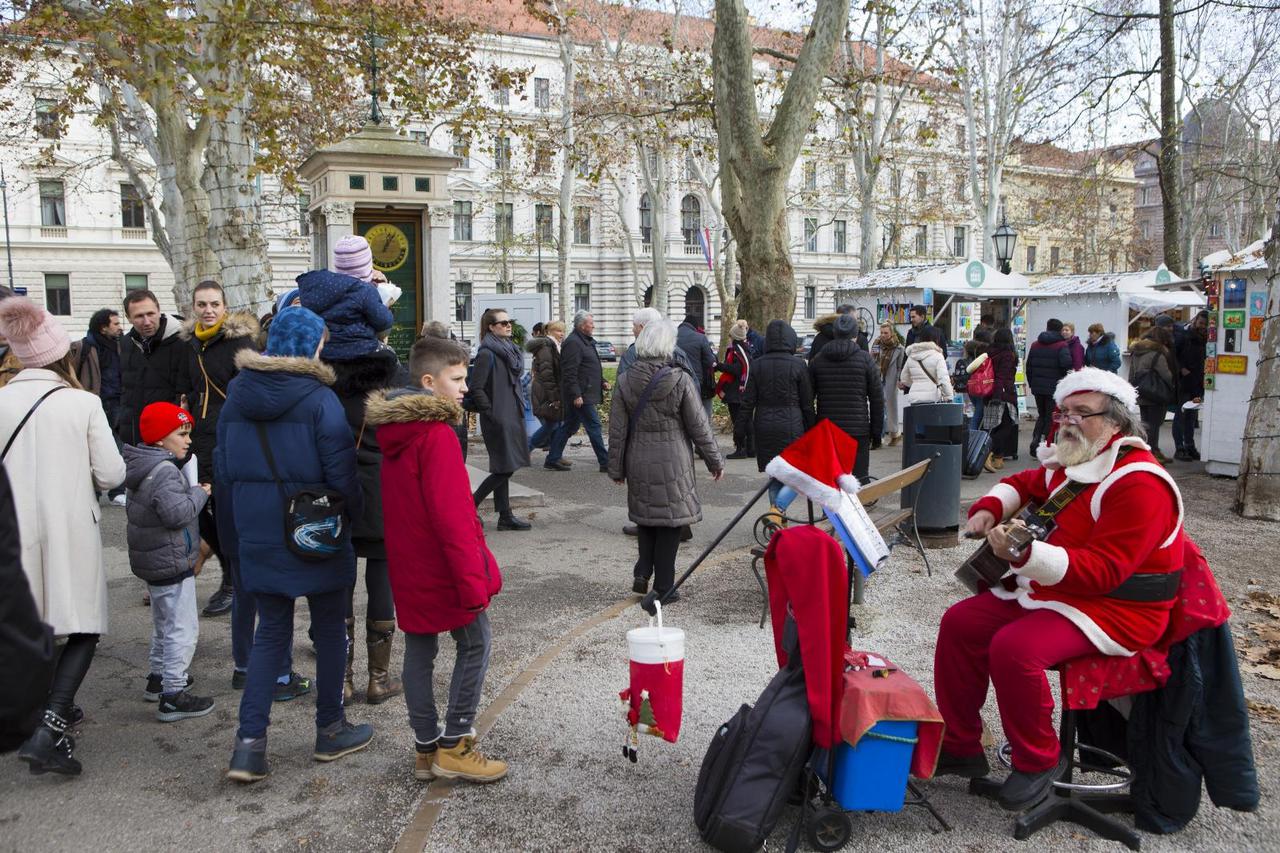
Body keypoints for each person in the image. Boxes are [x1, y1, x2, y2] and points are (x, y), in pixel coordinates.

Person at [934, 368, 1184, 812]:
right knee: (961, 623)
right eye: (1063, 411)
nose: (1067, 421)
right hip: (1064, 593)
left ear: (1117, 421)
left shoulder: (1140, 483)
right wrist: (991, 507)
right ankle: (961, 745)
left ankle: (1039, 761)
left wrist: (1024, 558)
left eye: (1081, 413)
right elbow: (1023, 483)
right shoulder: (1078, 461)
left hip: (1120, 608)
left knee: (1015, 647)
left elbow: (1107, 572)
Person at [217, 307, 370, 784]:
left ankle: (248, 747)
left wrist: (234, 542)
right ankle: (330, 728)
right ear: (313, 347)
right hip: (314, 532)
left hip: (257, 533)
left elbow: (222, 473)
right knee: (328, 631)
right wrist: (355, 516)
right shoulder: (320, 400)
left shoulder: (235, 396)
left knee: (270, 636)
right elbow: (341, 475)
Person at [367, 335, 508, 783]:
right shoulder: (436, 436)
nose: (465, 387)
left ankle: (426, 749)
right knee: (476, 642)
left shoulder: (395, 433)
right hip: (442, 566)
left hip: (408, 562)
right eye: (458, 378)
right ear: (430, 382)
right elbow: (453, 519)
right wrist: (473, 580)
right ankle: (457, 742)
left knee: (421, 648)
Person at [0, 297, 126, 775]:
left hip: (12, 530)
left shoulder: (1, 399)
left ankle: (37, 718)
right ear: (60, 353)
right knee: (82, 625)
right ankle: (49, 727)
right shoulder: (82, 403)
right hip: (70, 526)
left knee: (32, 624)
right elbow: (112, 474)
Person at [310, 276, 410, 705]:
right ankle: (378, 678)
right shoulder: (392, 372)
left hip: (331, 487)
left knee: (338, 583)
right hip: (379, 485)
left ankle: (342, 680)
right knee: (382, 575)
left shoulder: (318, 376)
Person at [608, 320, 724, 600]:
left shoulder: (624, 380)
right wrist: (714, 460)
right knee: (671, 522)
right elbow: (699, 425)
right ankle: (664, 587)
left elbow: (617, 428)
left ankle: (642, 572)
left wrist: (616, 467)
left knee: (646, 518)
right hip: (674, 459)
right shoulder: (679, 378)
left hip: (638, 456)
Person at [122, 402, 216, 722]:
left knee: (163, 625)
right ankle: (173, 694)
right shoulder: (164, 472)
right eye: (181, 433)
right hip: (172, 561)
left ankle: (158, 678)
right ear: (161, 439)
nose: (188, 441)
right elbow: (177, 514)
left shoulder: (143, 466)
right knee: (182, 628)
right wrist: (200, 493)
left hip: (154, 561)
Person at [180, 281, 260, 617]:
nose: (208, 310)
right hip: (198, 437)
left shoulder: (240, 342)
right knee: (199, 505)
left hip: (231, 436)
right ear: (193, 307)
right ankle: (230, 573)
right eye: (202, 305)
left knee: (226, 509)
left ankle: (233, 581)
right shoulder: (189, 344)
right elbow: (190, 386)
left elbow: (253, 387)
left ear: (225, 307)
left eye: (214, 304)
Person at [737, 320, 814, 508]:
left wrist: (739, 429)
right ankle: (778, 508)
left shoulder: (757, 365)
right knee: (797, 474)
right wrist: (812, 428)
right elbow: (807, 403)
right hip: (792, 424)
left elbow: (747, 401)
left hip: (764, 425)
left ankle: (776, 518)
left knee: (775, 475)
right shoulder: (798, 365)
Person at [469, 307, 532, 530]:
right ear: (491, 327)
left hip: (512, 414)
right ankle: (470, 507)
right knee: (504, 469)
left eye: (509, 322)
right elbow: (476, 388)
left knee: (504, 466)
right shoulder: (487, 353)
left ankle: (505, 516)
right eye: (503, 323)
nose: (508, 325)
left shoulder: (509, 350)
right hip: (498, 418)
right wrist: (491, 412)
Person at [808, 313, 883, 480]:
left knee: (830, 482)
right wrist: (876, 432)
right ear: (855, 336)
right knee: (857, 481)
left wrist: (813, 425)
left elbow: (807, 399)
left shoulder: (818, 360)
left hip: (827, 430)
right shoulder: (865, 360)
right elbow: (877, 399)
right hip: (858, 430)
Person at [297, 237, 395, 362]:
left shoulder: (315, 286)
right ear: (366, 265)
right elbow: (384, 323)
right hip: (359, 354)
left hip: (322, 354)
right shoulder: (364, 290)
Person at [70, 308, 127, 504]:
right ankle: (91, 493)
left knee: (119, 446)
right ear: (103, 328)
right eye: (116, 324)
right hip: (93, 404)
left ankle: (118, 491)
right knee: (88, 448)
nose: (120, 327)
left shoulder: (121, 345)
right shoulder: (83, 347)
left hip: (118, 403)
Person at [119, 289, 189, 446]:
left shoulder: (183, 341)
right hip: (133, 436)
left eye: (150, 313)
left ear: (159, 310)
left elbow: (185, 392)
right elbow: (124, 389)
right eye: (139, 316)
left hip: (169, 437)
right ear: (129, 318)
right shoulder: (126, 343)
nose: (146, 321)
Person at [545, 312, 609, 473]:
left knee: (569, 426)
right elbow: (569, 372)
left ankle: (552, 458)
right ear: (582, 326)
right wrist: (576, 394)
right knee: (594, 425)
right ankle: (605, 462)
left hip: (583, 392)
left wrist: (602, 381)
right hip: (580, 395)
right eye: (591, 323)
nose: (593, 326)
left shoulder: (585, 341)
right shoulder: (573, 343)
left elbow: (589, 367)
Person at [1024, 318, 1072, 455]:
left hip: (1038, 387)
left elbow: (1029, 367)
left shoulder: (1035, 344)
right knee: (1051, 416)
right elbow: (1066, 365)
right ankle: (1046, 443)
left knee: (1042, 414)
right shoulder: (1061, 345)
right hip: (1054, 388)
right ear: (1059, 330)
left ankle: (1035, 440)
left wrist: (1032, 384)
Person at [1128, 326, 1176, 463]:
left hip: (1142, 392)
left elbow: (1132, 373)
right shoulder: (1158, 353)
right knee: (1155, 424)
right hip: (1156, 394)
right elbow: (1166, 375)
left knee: (1145, 424)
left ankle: (1149, 451)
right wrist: (1172, 386)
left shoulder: (1137, 351)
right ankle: (1152, 453)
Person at [980, 328, 1021, 469]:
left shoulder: (989, 352)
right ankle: (987, 452)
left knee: (993, 426)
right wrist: (998, 395)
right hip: (1003, 394)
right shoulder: (1007, 355)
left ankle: (997, 458)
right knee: (1007, 425)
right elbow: (1001, 377)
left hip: (988, 392)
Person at [1172, 311, 1208, 461]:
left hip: (1198, 383)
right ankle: (1180, 448)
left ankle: (1189, 446)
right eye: (1201, 323)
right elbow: (1173, 356)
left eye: (1205, 325)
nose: (1203, 327)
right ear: (1195, 321)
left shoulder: (1207, 339)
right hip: (1185, 382)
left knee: (1191, 416)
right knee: (1181, 415)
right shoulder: (1183, 336)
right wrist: (1181, 369)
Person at [619, 307, 694, 377]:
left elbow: (622, 386)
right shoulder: (678, 352)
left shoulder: (632, 354)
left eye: (634, 326)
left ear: (642, 328)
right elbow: (693, 385)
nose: (633, 330)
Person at [716, 320, 753, 459]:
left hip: (736, 392)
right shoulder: (746, 348)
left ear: (734, 336)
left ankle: (741, 448)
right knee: (747, 420)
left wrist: (720, 366)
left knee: (738, 420)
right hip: (743, 391)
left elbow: (736, 370)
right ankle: (751, 448)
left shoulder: (737, 351)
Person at [527, 320, 564, 451]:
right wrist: (554, 397)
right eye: (558, 330)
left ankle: (554, 456)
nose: (562, 334)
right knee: (552, 425)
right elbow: (547, 374)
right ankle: (525, 450)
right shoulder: (546, 347)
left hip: (547, 390)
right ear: (549, 332)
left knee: (555, 424)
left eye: (563, 331)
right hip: (544, 391)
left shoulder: (554, 346)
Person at [677, 312, 717, 422]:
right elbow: (711, 361)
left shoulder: (671, 336)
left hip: (675, 380)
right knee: (700, 416)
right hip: (697, 383)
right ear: (695, 326)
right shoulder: (700, 338)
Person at [900, 333, 954, 405]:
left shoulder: (911, 356)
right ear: (936, 341)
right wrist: (949, 396)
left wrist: (917, 385)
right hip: (933, 398)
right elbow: (944, 379)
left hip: (915, 398)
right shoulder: (938, 356)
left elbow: (904, 378)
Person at [876, 323, 906, 445]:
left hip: (891, 380)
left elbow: (900, 367)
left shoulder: (899, 349)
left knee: (890, 408)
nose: (883, 335)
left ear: (891, 333)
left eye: (886, 333)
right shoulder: (877, 345)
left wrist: (898, 379)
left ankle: (894, 433)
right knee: (880, 407)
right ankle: (881, 435)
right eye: (881, 332)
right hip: (878, 379)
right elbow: (872, 361)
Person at [963, 327, 993, 431]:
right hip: (982, 386)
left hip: (971, 386)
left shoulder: (970, 350)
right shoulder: (985, 352)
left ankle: (973, 436)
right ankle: (972, 440)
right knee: (978, 415)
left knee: (976, 413)